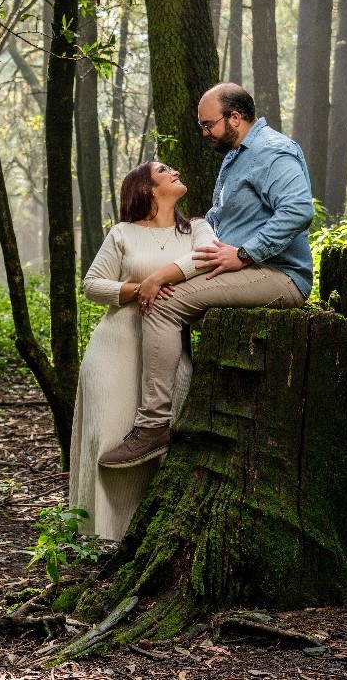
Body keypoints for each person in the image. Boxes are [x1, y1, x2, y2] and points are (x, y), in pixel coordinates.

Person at [98, 82, 315, 469]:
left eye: (208, 124)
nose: (203, 132)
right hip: (247, 270)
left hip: (280, 274)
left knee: (164, 306)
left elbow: (298, 210)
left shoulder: (271, 150)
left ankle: (153, 427)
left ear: (235, 118)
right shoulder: (236, 157)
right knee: (166, 296)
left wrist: (245, 253)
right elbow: (222, 220)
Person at [69, 161, 217, 540]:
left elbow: (206, 258)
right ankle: (104, 535)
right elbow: (92, 285)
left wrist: (159, 278)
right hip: (114, 349)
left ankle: (148, 535)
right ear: (147, 188)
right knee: (111, 438)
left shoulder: (197, 228)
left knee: (156, 439)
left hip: (167, 350)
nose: (175, 171)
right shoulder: (123, 233)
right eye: (164, 170)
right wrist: (138, 289)